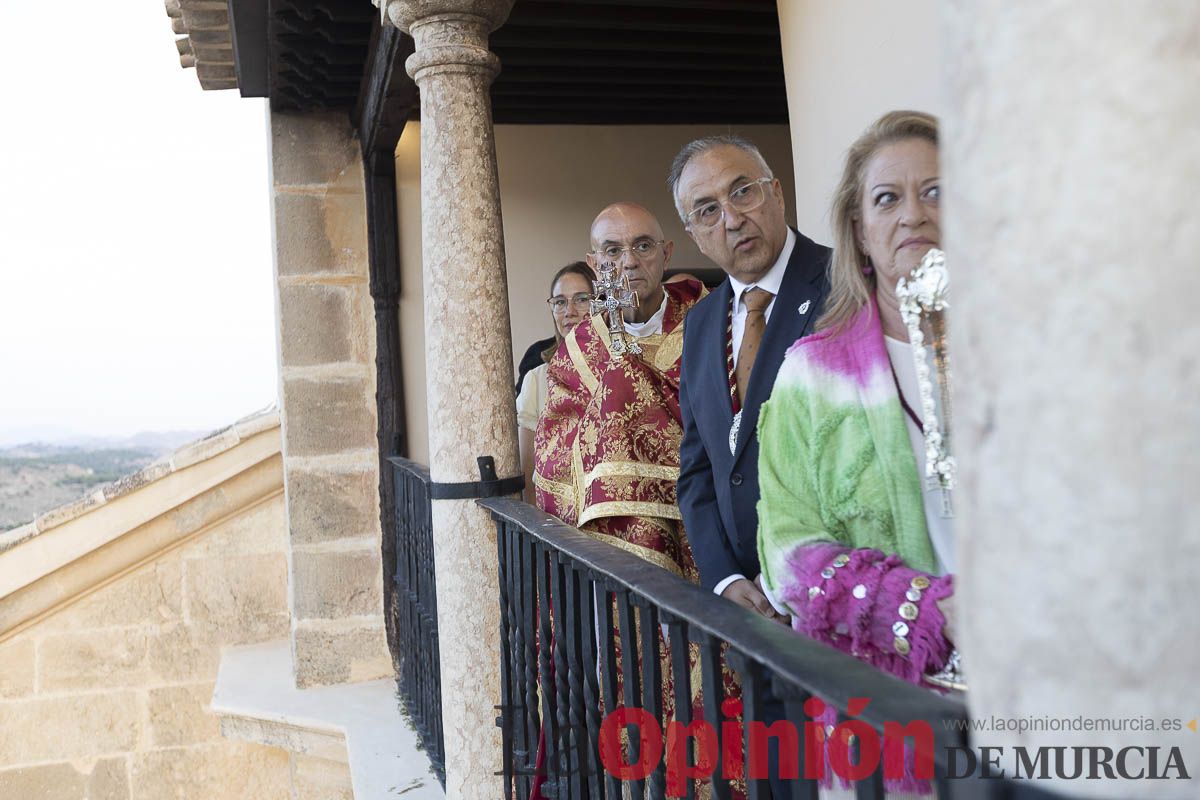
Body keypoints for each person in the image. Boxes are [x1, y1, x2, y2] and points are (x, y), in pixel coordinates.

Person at [755, 111, 955, 792]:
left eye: (937, 191)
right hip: (888, 718)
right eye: (888, 198)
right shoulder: (812, 374)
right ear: (861, 232)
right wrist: (930, 611)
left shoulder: (1033, 353)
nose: (914, 215)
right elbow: (786, 555)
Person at [671, 135, 832, 618]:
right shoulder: (700, 324)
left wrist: (792, 566)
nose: (732, 218)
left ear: (777, 193)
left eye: (743, 191)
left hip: (831, 588)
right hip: (747, 607)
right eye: (707, 210)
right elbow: (698, 467)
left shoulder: (845, 284)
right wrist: (723, 576)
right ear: (695, 235)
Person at [534, 202, 705, 575]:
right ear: (594, 263)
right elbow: (554, 454)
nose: (628, 262)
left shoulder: (707, 321)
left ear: (666, 253)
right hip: (610, 547)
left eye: (643, 246)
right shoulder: (576, 351)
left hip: (702, 521)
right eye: (612, 250)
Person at [515, 261, 594, 503]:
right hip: (555, 523)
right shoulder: (537, 380)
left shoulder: (621, 370)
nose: (569, 310)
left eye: (581, 299)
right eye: (560, 302)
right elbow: (527, 474)